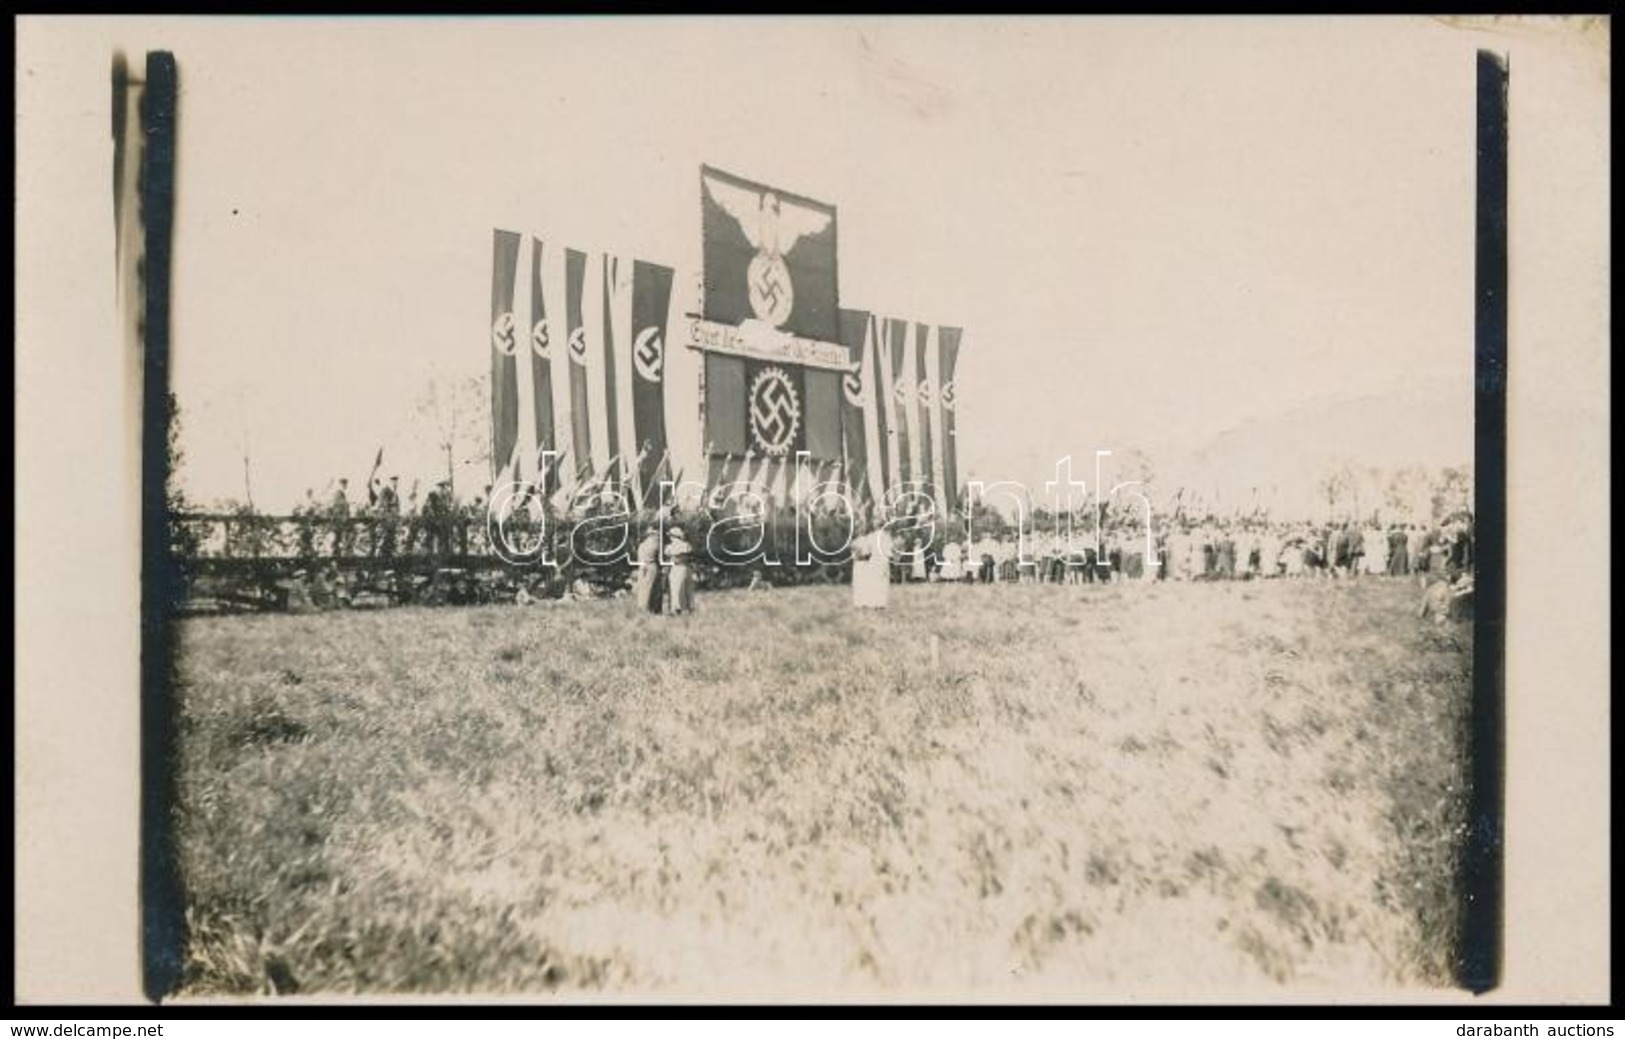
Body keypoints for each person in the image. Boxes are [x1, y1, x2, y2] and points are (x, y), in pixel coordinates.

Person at [852, 521, 892, 609]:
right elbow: (890, 551)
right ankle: (881, 603)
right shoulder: (887, 537)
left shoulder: (871, 537)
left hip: (874, 560)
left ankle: (874, 602)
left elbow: (866, 551)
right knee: (883, 582)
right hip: (884, 560)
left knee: (875, 582)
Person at [632, 526, 664, 614]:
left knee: (643, 589)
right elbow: (660, 558)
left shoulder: (642, 545)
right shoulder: (656, 544)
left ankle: (642, 608)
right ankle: (654, 609)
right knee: (654, 589)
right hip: (652, 566)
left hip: (642, 568)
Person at [666, 527, 695, 615]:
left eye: (671, 536)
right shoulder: (686, 545)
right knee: (685, 588)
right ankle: (687, 607)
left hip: (677, 568)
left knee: (677, 588)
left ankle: (677, 608)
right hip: (685, 568)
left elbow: (671, 556)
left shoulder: (671, 547)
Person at [329, 478, 352, 558]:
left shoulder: (339, 494)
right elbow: (341, 506)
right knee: (338, 539)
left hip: (339, 520)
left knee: (338, 539)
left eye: (346, 484)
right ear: (341, 485)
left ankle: (337, 556)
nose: (346, 486)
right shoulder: (339, 494)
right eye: (344, 484)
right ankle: (336, 556)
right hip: (339, 520)